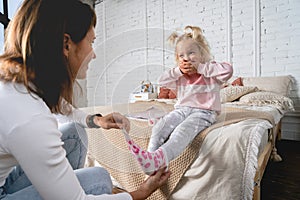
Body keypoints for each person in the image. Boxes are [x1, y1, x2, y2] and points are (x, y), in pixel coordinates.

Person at [0, 0, 170, 199]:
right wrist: (141, 192)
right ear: (66, 44)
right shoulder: (29, 117)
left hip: (5, 180)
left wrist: (96, 120)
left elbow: (61, 106)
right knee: (99, 179)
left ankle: (61, 185)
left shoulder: (16, 82)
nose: (94, 54)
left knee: (75, 132)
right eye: (91, 42)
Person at [123, 25, 233, 175]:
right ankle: (150, 159)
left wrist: (201, 68)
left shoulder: (210, 70)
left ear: (202, 54)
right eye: (181, 56)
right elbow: (161, 81)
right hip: (182, 109)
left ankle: (159, 160)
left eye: (191, 53)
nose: (186, 58)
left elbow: (228, 70)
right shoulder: (180, 74)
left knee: (182, 131)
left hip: (204, 112)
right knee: (160, 127)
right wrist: (178, 71)